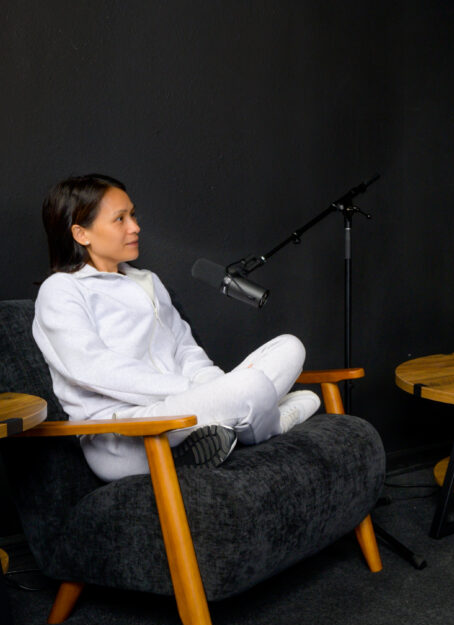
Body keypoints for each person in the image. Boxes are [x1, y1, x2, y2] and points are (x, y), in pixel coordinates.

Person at [32, 174, 321, 482]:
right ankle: (273, 421)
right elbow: (92, 369)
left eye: (133, 215)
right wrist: (199, 391)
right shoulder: (62, 290)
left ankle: (229, 426)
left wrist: (213, 385)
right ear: (81, 234)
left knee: (290, 347)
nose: (135, 227)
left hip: (181, 412)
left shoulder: (147, 281)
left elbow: (186, 350)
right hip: (124, 433)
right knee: (256, 387)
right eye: (120, 219)